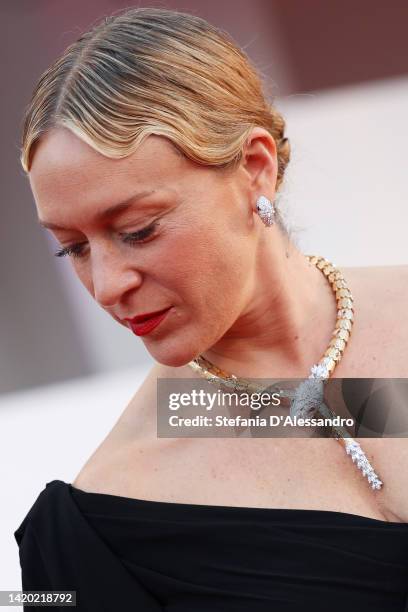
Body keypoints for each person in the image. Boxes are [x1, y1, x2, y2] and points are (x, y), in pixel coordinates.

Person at [14, 7, 408, 611]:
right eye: (73, 248)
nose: (108, 284)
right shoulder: (100, 523)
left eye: (138, 230)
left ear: (255, 168)